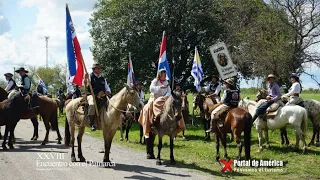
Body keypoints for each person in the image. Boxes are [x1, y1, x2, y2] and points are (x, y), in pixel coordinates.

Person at [138, 68, 171, 159]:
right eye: (162, 73)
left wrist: (165, 96)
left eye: (165, 73)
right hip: (155, 98)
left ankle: (178, 123)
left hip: (165, 99)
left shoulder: (167, 82)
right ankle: (151, 120)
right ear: (159, 74)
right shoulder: (155, 81)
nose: (164, 75)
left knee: (174, 107)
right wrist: (160, 87)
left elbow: (169, 91)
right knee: (148, 107)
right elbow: (151, 89)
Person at [84, 63, 111, 131]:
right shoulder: (90, 76)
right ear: (94, 69)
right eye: (97, 68)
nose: (99, 70)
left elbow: (107, 87)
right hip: (91, 95)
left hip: (102, 95)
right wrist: (85, 80)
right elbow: (85, 84)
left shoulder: (103, 78)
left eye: (100, 68)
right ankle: (92, 123)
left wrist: (107, 91)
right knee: (92, 104)